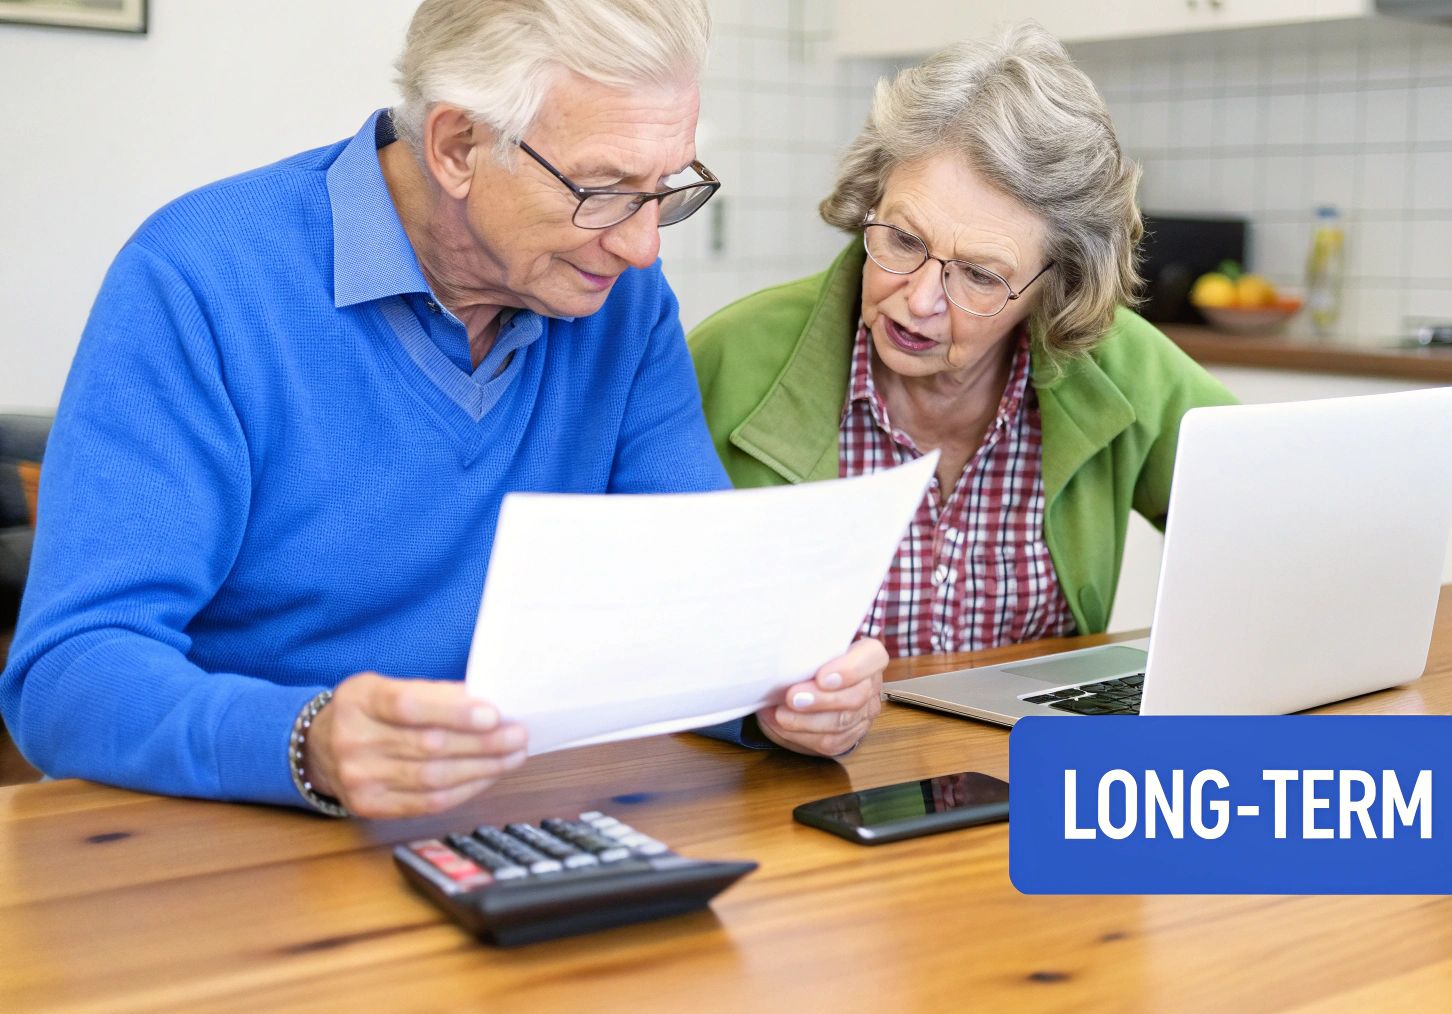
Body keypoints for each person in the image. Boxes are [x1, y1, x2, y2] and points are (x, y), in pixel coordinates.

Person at [0, 0, 886, 820]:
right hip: (234, 845)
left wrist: (789, 699)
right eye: (605, 189)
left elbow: (705, 612)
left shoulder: (620, 301)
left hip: (521, 825)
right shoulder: (202, 278)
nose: (643, 245)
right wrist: (306, 744)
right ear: (458, 145)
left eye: (666, 190)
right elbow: (68, 676)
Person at [689, 23, 1238, 660]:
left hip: (1021, 759)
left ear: (1055, 285)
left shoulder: (1120, 365)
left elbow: (1282, 521)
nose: (919, 300)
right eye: (902, 240)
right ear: (871, 198)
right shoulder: (730, 357)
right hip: (809, 762)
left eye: (980, 275)